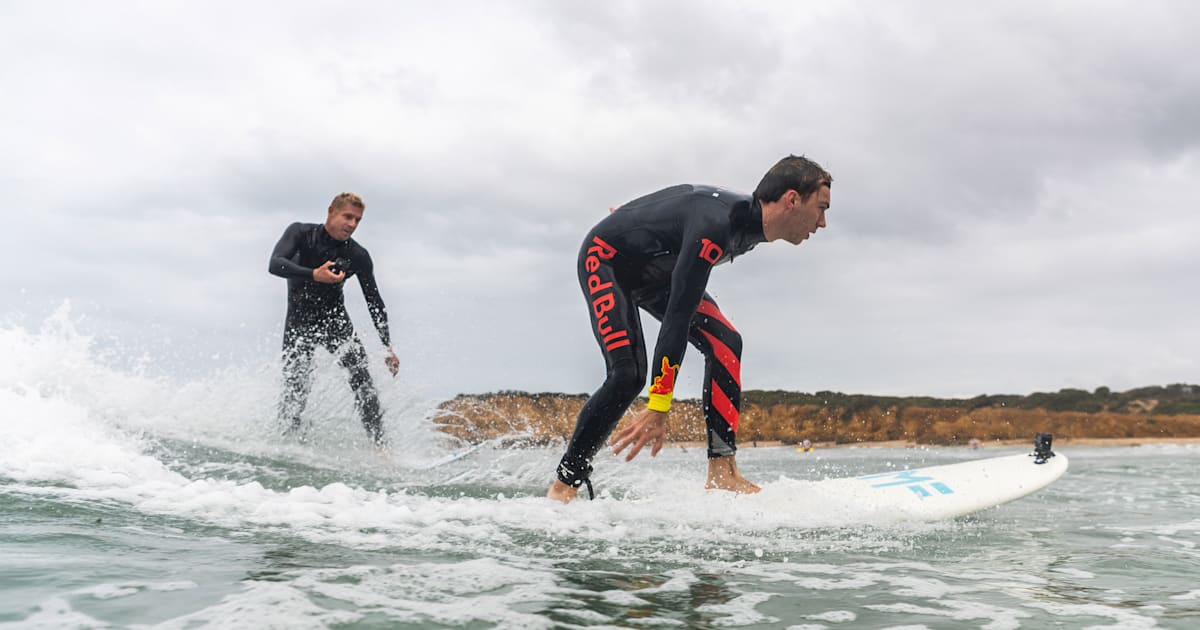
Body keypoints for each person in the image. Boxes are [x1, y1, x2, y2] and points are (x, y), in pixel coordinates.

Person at [548, 155, 833, 503]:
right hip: (607, 261)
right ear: (792, 200)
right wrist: (659, 403)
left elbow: (684, 198)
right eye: (820, 209)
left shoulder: (750, 222)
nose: (822, 223)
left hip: (655, 270)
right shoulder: (717, 224)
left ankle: (723, 472)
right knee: (628, 375)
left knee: (726, 343)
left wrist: (632, 216)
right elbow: (678, 317)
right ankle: (564, 485)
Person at [268, 192, 399, 446]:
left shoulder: (357, 255)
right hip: (299, 321)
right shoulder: (300, 234)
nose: (351, 224)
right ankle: (286, 442)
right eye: (347, 216)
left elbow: (374, 301)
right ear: (331, 211)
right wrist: (313, 274)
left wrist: (387, 346)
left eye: (357, 220)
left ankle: (381, 449)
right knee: (297, 386)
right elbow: (275, 264)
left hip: (334, 321)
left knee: (362, 380)